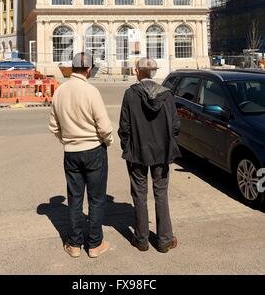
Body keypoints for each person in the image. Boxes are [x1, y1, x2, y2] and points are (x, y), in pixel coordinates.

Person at [49, 52, 113, 258]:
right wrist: (107, 142)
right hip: (94, 149)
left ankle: (75, 244)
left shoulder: (60, 90)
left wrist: (66, 139)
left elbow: (53, 125)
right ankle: (94, 244)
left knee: (75, 198)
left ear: (72, 68)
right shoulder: (91, 91)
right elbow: (104, 126)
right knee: (96, 198)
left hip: (71, 151)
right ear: (88, 69)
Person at [118, 57, 181, 253]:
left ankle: (141, 239)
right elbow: (175, 126)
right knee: (161, 194)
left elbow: (124, 127)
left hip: (137, 152)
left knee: (139, 194)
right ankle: (164, 240)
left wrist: (127, 146)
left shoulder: (130, 94)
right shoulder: (167, 95)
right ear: (153, 72)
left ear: (138, 72)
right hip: (161, 153)